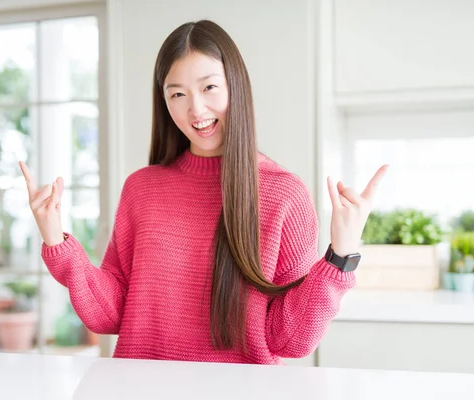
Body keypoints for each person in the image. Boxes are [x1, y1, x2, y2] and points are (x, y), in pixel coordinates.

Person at [19, 20, 387, 365]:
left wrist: (341, 255)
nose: (195, 109)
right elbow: (110, 314)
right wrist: (56, 238)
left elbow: (289, 341)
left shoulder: (283, 194)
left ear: (235, 86)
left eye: (209, 87)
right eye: (177, 93)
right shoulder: (142, 188)